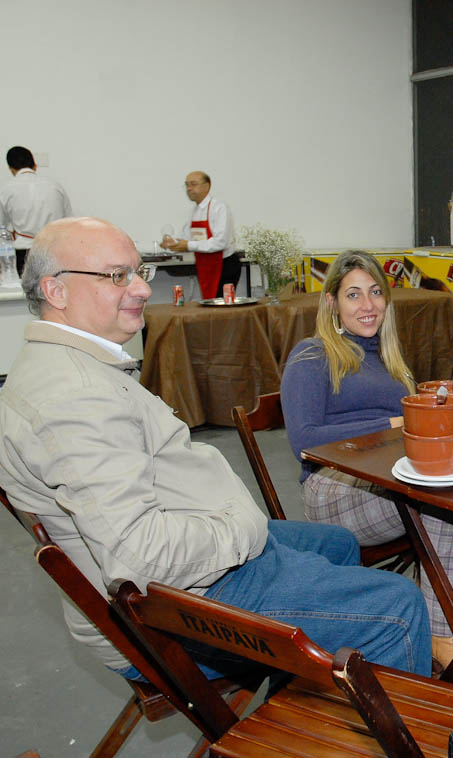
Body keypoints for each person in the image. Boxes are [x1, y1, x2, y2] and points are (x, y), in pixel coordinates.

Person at [0, 218, 430, 681]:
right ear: (56, 291)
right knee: (399, 604)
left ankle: (316, 695)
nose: (144, 289)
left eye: (138, 271)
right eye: (117, 276)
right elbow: (141, 558)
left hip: (183, 565)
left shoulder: (69, 366)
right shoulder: (74, 397)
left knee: (337, 544)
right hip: (169, 612)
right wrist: (242, 530)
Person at [281, 250, 453, 678]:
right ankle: (445, 637)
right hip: (335, 488)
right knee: (442, 503)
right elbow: (303, 441)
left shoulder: (389, 360)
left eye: (376, 292)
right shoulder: (312, 355)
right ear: (331, 303)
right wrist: (392, 422)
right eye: (353, 294)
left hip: (389, 478)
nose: (368, 305)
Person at [161, 171, 240, 300]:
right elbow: (187, 237)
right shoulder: (194, 211)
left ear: (207, 186)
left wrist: (187, 245)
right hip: (205, 266)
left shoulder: (219, 208)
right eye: (186, 185)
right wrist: (172, 242)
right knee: (209, 305)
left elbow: (221, 242)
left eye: (193, 184)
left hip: (224, 266)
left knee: (222, 309)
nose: (189, 189)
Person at [0, 146, 73, 274]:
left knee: (26, 292)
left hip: (23, 253)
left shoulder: (6, 190)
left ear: (11, 169)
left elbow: (2, 227)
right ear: (35, 165)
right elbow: (69, 221)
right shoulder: (55, 186)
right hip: (53, 250)